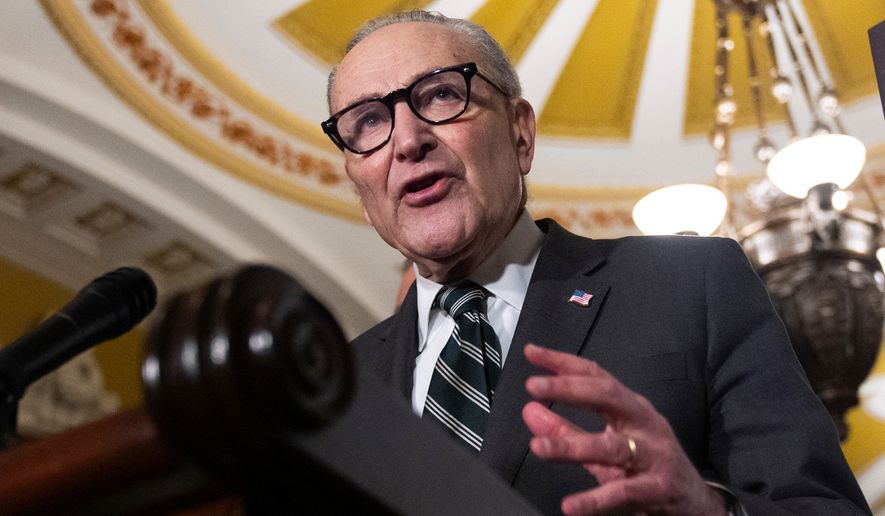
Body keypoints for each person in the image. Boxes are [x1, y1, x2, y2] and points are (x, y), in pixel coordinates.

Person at [321, 10, 870, 515]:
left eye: (440, 95)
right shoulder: (337, 387)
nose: (407, 140)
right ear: (357, 182)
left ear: (520, 133)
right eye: (367, 122)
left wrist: (708, 510)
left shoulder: (691, 284)